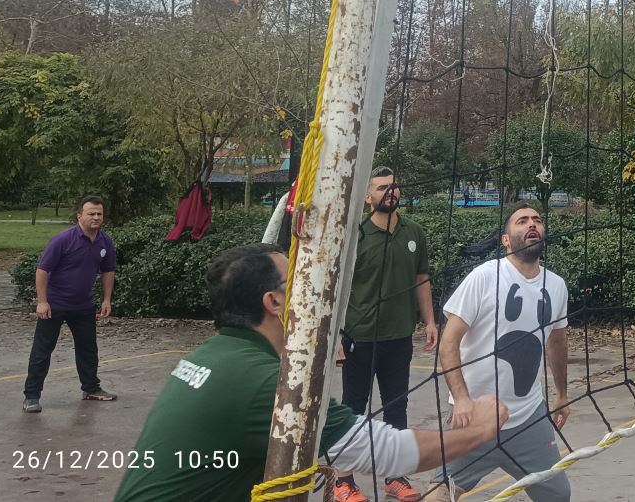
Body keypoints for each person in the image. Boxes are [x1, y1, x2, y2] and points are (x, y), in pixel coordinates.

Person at [113, 244, 506, 502]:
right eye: (299, 281)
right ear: (274, 302)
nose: (310, 289)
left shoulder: (212, 355)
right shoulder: (264, 382)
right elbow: (389, 452)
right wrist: (480, 430)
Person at [431, 204, 571, 501]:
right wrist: (462, 400)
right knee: (439, 494)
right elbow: (448, 342)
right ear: (506, 240)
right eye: (522, 221)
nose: (532, 224)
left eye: (537, 220)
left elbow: (557, 342)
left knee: (558, 495)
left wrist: (562, 394)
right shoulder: (484, 276)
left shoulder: (556, 285)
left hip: (528, 418)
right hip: (476, 417)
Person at [334, 167, 438, 502]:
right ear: (368, 197)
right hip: (359, 337)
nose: (390, 191)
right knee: (353, 409)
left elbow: (421, 278)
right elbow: (338, 288)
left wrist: (430, 321)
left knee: (397, 407)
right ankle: (343, 481)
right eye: (381, 187)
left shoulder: (414, 232)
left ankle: (396, 476)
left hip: (399, 336)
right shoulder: (356, 235)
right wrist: (335, 336)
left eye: (394, 186)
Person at [24, 196, 118, 413]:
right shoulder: (63, 240)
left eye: (99, 214)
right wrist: (42, 302)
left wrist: (106, 299)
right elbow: (42, 270)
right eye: (91, 213)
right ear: (79, 216)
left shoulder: (105, 241)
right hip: (54, 305)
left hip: (84, 306)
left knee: (88, 349)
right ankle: (31, 396)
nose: (96, 217)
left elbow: (108, 270)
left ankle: (91, 388)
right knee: (42, 351)